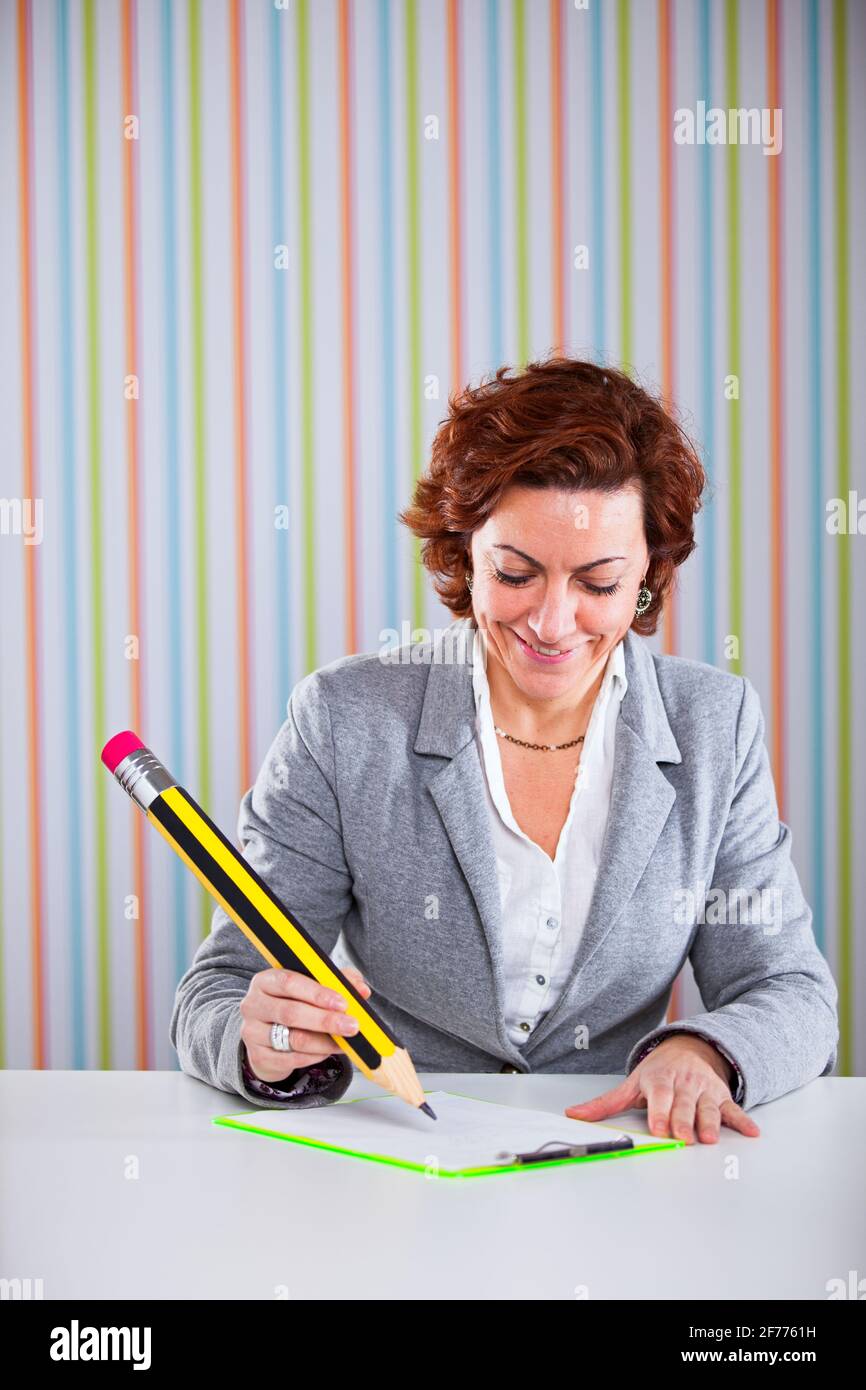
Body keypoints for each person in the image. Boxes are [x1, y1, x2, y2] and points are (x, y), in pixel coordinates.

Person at [170, 356, 838, 1145]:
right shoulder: (345, 719)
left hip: (617, 1166)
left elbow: (790, 989)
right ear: (465, 555)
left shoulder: (713, 725)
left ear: (648, 579)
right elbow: (220, 990)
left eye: (598, 584)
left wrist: (703, 1051)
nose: (553, 624)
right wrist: (263, 1042)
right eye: (516, 573)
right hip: (401, 1158)